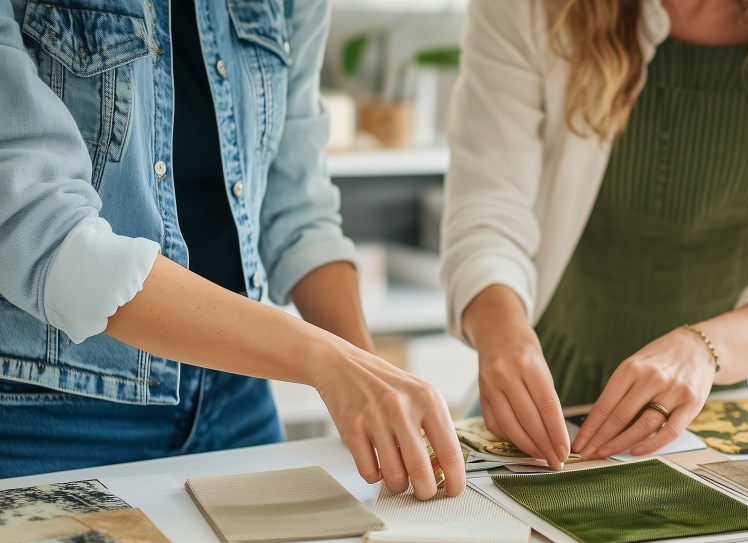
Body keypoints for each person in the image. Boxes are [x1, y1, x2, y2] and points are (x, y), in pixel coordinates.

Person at [0, 0, 464, 498]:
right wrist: (325, 361)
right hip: (51, 410)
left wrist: (370, 382)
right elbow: (39, 225)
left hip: (239, 401)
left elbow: (298, 209)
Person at [441, 0, 748, 469]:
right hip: (552, 390)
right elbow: (487, 208)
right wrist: (504, 340)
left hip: (743, 403)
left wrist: (704, 351)